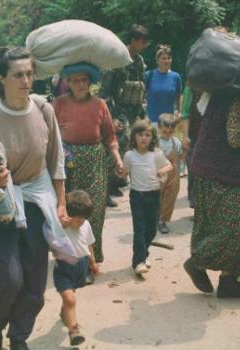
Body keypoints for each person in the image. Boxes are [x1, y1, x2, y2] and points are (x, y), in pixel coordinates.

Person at [0, 47, 67, 350]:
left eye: (29, 74)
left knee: (36, 281)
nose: (25, 81)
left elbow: (55, 160)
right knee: (8, 280)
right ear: (1, 78)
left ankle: (19, 336)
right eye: (18, 75)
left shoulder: (43, 109)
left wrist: (61, 203)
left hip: (36, 203)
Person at [183, 90, 240, 298]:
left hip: (211, 168)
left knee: (219, 225)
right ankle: (198, 262)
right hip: (223, 172)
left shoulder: (215, 95)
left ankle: (229, 281)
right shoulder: (236, 99)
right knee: (235, 229)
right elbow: (235, 138)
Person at [53, 62, 124, 267]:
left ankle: (93, 255)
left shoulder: (100, 104)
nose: (80, 84)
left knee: (95, 209)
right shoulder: (57, 104)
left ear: (90, 82)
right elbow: (47, 135)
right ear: (68, 83)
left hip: (94, 161)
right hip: (67, 161)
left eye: (84, 79)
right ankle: (68, 255)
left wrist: (118, 160)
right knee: (68, 209)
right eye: (75, 80)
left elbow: (110, 136)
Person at [99, 24, 149, 206]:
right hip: (118, 111)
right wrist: (111, 117)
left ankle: (114, 183)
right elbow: (104, 93)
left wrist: (142, 113)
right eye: (142, 41)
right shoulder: (117, 60)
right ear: (133, 41)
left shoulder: (139, 61)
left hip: (134, 110)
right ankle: (102, 191)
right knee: (116, 147)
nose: (144, 45)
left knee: (129, 147)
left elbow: (141, 86)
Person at [123, 120, 173, 275]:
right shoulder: (130, 155)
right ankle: (138, 262)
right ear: (134, 137)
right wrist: (120, 171)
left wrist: (163, 171)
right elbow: (124, 171)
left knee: (151, 229)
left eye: (147, 135)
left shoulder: (156, 154)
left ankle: (143, 255)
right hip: (137, 195)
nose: (143, 138)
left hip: (153, 194)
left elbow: (169, 165)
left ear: (152, 137)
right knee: (139, 229)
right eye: (140, 135)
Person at [54, 190, 99, 346]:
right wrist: (60, 224)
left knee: (70, 298)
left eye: (84, 218)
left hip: (80, 267)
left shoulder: (86, 226)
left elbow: (89, 244)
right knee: (71, 299)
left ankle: (64, 312)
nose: (80, 221)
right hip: (63, 269)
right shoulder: (60, 228)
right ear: (68, 214)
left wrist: (93, 263)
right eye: (77, 218)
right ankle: (74, 331)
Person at [157, 113, 183, 234]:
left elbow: (181, 156)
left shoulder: (176, 142)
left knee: (169, 198)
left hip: (172, 176)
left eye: (170, 132)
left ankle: (163, 220)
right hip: (158, 175)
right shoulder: (154, 143)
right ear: (159, 129)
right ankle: (154, 218)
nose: (167, 135)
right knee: (156, 197)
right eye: (165, 132)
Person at [145, 45, 182, 127]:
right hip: (151, 120)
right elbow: (142, 96)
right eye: (163, 58)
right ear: (157, 60)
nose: (166, 61)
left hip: (169, 121)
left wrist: (179, 112)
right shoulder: (149, 75)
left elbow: (179, 96)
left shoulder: (176, 77)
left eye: (169, 58)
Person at [180, 84, 203, 211]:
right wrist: (185, 136)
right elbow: (185, 113)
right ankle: (196, 205)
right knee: (194, 170)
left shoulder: (217, 84)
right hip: (195, 135)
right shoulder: (192, 87)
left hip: (211, 136)